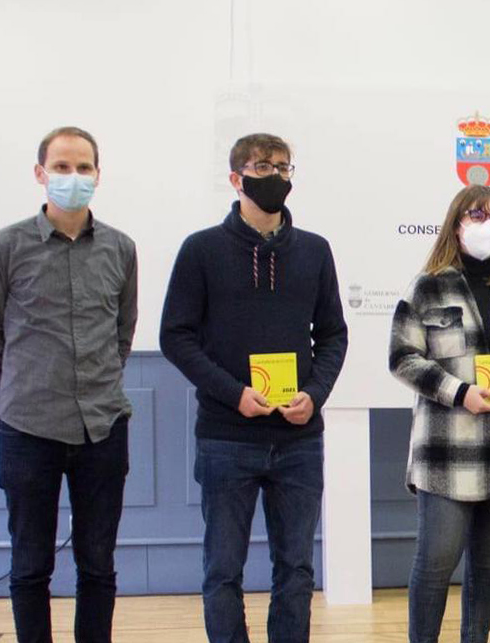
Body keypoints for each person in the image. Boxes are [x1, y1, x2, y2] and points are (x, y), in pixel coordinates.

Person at [159, 133, 349, 643]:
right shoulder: (201, 250)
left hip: (298, 439)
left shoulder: (315, 250)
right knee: (223, 570)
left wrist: (315, 393)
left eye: (284, 167)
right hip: (226, 436)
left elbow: (333, 334)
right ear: (236, 178)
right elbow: (175, 336)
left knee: (296, 570)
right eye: (263, 167)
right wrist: (233, 393)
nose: (276, 177)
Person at [0, 126, 136, 643]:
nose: (73, 177)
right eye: (62, 167)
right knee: (30, 566)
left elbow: (122, 331)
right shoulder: (4, 247)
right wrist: (23, 390)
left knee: (98, 565)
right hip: (28, 428)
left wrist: (95, 384)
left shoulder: (121, 248)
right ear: (41, 173)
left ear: (98, 175)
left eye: (83, 167)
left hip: (102, 427)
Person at [389, 184, 490, 643]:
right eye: (477, 216)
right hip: (447, 455)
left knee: (488, 567)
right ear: (456, 224)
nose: (488, 226)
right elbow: (402, 357)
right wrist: (460, 393)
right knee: (435, 565)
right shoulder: (427, 286)